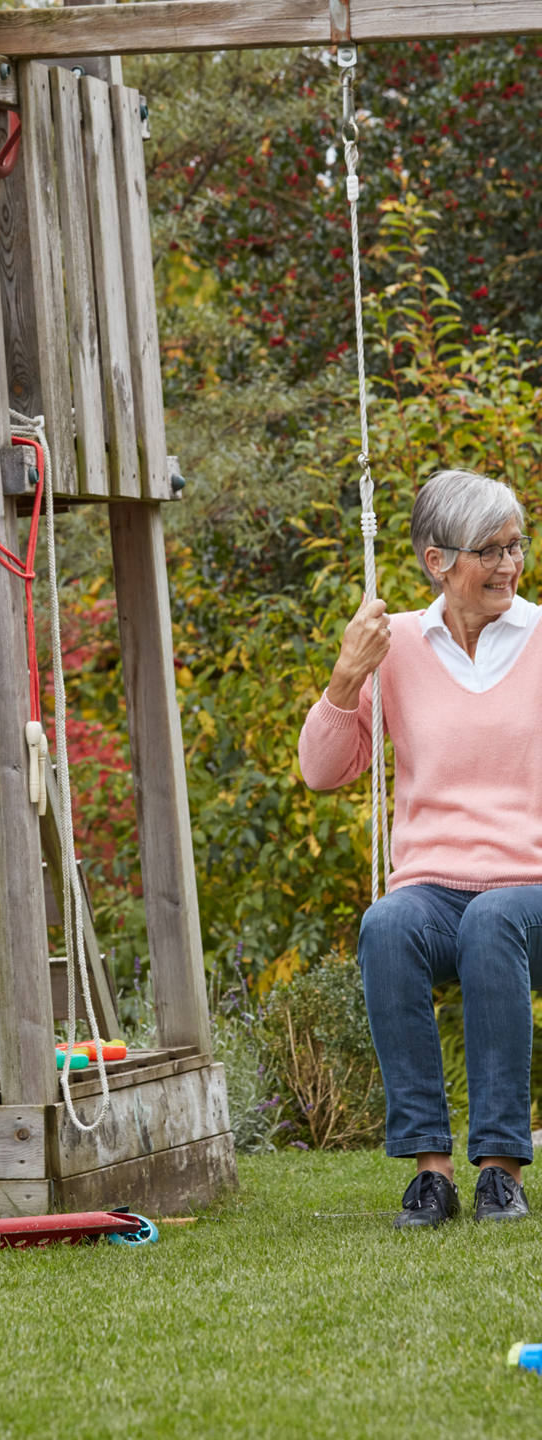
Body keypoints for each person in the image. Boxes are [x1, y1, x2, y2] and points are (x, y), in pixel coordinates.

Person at [298, 468, 541, 1227]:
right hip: (434, 885)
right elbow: (321, 771)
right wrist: (345, 677)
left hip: (530, 886)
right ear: (438, 561)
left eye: (516, 545)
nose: (509, 564)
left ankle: (500, 1169)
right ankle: (431, 1173)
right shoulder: (395, 643)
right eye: (490, 550)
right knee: (387, 925)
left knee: (493, 921)